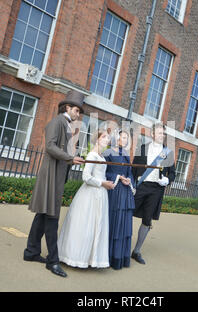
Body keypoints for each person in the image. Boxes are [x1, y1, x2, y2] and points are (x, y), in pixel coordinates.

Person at [23, 90, 85, 278]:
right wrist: (70, 158)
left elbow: (62, 149)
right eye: (76, 110)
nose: (78, 114)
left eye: (79, 111)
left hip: (56, 174)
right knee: (51, 218)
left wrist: (72, 157)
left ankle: (31, 252)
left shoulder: (65, 124)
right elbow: (50, 146)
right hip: (51, 175)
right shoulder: (57, 122)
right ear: (68, 108)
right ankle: (53, 261)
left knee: (42, 215)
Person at [57, 129, 115, 268]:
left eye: (108, 137)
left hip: (100, 195)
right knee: (85, 225)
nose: (107, 139)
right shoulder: (93, 155)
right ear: (97, 139)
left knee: (96, 226)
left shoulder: (102, 157)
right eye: (104, 137)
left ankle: (92, 259)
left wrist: (109, 183)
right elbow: (86, 176)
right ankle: (74, 257)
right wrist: (102, 183)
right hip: (90, 194)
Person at [131, 122, 175, 265]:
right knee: (127, 212)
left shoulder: (168, 153)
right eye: (160, 133)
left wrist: (167, 180)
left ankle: (136, 251)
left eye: (164, 133)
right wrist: (132, 185)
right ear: (153, 134)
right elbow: (133, 169)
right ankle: (121, 246)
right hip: (140, 187)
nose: (162, 135)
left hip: (156, 190)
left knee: (147, 220)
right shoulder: (142, 148)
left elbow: (173, 174)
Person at [103, 129, 136, 270]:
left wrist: (129, 180)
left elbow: (130, 173)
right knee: (113, 223)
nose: (125, 140)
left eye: (127, 138)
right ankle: (109, 257)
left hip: (126, 194)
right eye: (123, 137)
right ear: (116, 138)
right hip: (114, 192)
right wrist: (118, 178)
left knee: (123, 226)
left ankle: (120, 258)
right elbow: (103, 172)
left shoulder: (126, 155)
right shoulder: (108, 153)